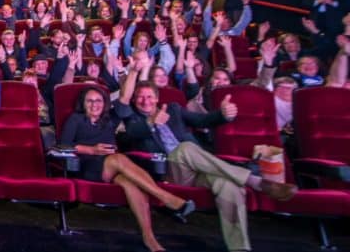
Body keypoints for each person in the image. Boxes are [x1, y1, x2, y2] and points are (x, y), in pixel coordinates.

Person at [122, 80, 299, 252]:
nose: (145, 101)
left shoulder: (174, 110)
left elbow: (202, 120)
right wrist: (151, 122)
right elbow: (130, 135)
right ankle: (254, 181)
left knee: (228, 185)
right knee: (185, 148)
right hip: (170, 172)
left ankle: (240, 247)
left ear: (157, 98)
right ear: (134, 99)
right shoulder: (133, 118)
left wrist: (222, 114)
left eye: (149, 96)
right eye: (140, 97)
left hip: (199, 169)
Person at [59, 67, 194, 252]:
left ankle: (150, 238)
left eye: (98, 100)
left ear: (104, 103)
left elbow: (124, 98)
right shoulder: (76, 119)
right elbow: (63, 145)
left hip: (113, 167)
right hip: (87, 166)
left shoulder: (109, 119)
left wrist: (133, 72)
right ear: (83, 103)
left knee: (131, 185)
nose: (94, 104)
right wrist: (91, 149)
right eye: (89, 101)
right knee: (118, 159)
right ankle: (167, 198)